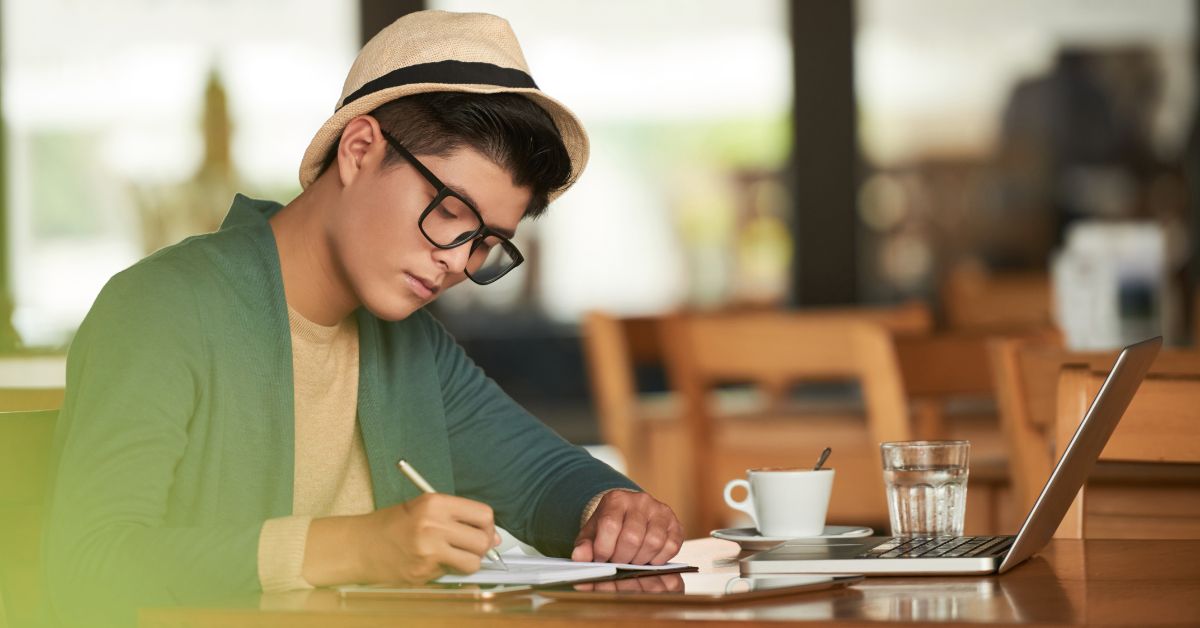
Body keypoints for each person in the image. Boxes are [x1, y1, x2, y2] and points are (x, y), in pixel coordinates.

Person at [42, 11, 683, 627]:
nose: (458, 261)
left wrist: (614, 508)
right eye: (452, 213)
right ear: (358, 149)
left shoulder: (411, 347)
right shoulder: (165, 308)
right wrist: (357, 547)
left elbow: (547, 478)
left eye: (487, 241)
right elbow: (86, 565)